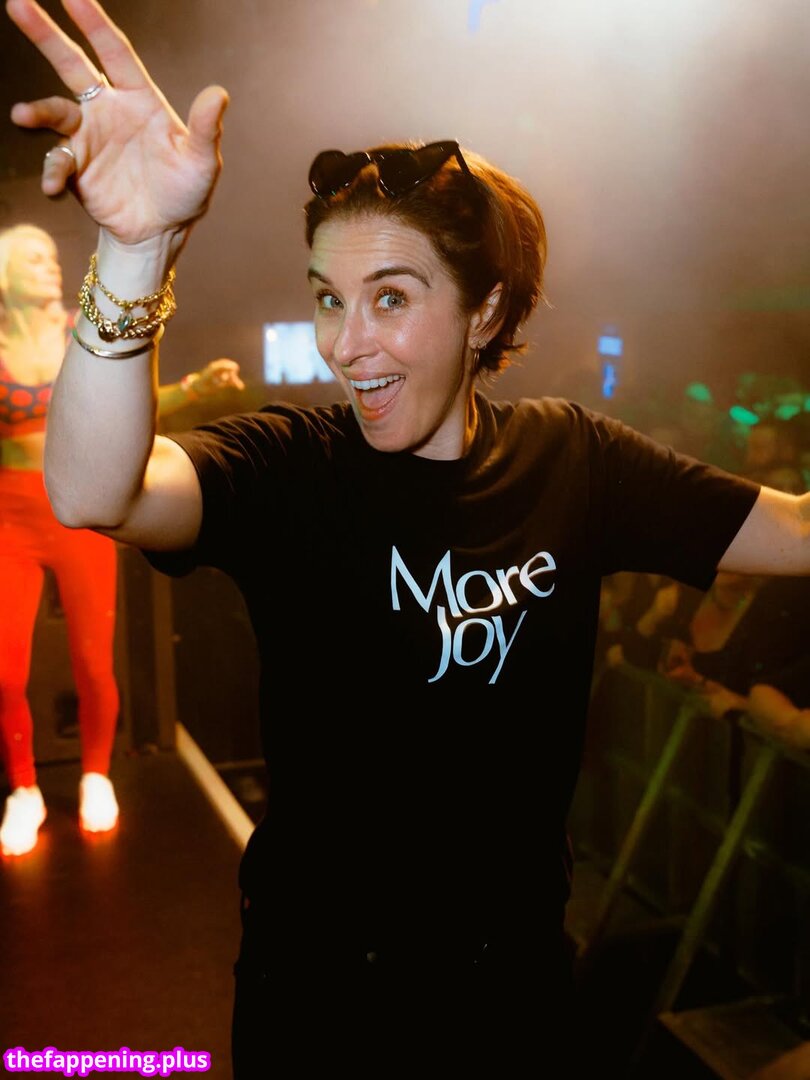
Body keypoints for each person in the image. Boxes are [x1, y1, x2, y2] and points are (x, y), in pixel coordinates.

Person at [5, 0, 809, 1072]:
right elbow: (91, 492)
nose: (347, 345)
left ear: (486, 314)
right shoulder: (295, 467)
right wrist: (135, 247)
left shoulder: (575, 460)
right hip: (323, 1000)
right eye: (329, 299)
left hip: (512, 993)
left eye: (390, 299)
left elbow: (795, 531)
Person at [0, 220, 245, 857]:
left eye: (52, 255)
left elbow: (127, 406)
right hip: (9, 518)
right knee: (5, 672)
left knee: (92, 660)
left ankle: (95, 775)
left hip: (76, 509)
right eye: (34, 257)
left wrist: (195, 388)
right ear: (4, 272)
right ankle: (23, 789)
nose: (50, 264)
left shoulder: (78, 330)